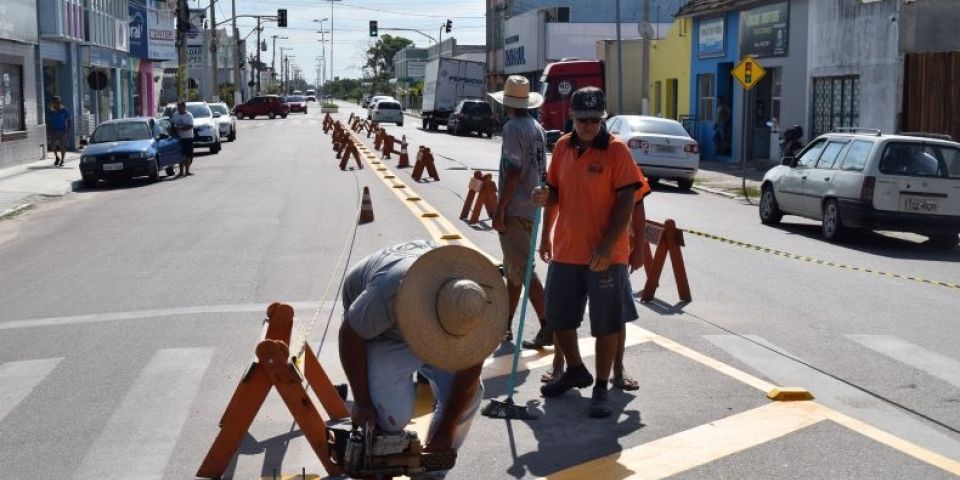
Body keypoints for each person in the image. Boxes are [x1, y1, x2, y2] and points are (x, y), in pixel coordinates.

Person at [338, 240, 507, 479]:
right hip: (386, 333)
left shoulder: (476, 303)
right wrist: (362, 402)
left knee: (470, 395)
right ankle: (379, 463)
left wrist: (447, 429)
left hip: (442, 328)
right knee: (390, 415)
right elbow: (350, 335)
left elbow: (469, 371)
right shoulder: (391, 291)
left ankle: (432, 472)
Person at [532, 87, 644, 418]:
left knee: (606, 324)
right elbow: (556, 191)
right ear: (572, 117)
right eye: (583, 120)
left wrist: (608, 246)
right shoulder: (562, 146)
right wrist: (546, 199)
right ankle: (575, 370)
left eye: (596, 120)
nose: (589, 126)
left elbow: (627, 201)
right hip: (567, 249)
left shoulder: (616, 150)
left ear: (603, 119)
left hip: (606, 256)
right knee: (558, 317)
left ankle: (601, 387)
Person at [488, 75, 556, 354]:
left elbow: (513, 170)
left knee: (525, 270)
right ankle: (504, 324)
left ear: (507, 104)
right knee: (515, 270)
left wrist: (500, 208)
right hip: (531, 206)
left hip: (516, 207)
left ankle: (548, 324)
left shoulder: (512, 128)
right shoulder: (536, 127)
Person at [169, 101, 195, 176]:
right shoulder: (175, 115)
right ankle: (181, 172)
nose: (179, 109)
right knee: (181, 155)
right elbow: (171, 123)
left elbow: (190, 126)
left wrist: (180, 128)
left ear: (184, 107)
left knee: (188, 155)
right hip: (179, 138)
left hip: (188, 137)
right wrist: (174, 128)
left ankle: (187, 171)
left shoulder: (189, 115)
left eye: (180, 107)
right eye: (178, 107)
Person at [46, 96, 71, 167]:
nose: (57, 104)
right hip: (53, 131)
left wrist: (68, 129)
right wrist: (48, 130)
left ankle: (62, 160)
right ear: (53, 103)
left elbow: (69, 119)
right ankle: (57, 157)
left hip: (62, 130)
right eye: (55, 102)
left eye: (58, 102)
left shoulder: (64, 110)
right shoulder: (51, 111)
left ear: (60, 102)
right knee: (52, 145)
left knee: (62, 146)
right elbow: (48, 121)